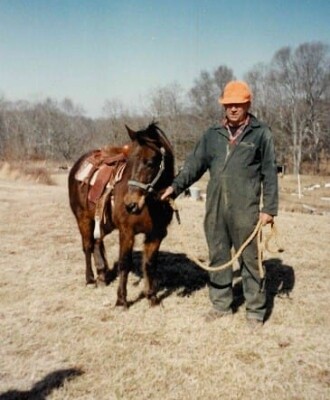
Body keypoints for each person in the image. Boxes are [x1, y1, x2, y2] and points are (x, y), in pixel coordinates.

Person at [161, 81, 278, 330]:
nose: (233, 109)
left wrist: (269, 208)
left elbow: (269, 172)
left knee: (250, 259)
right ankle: (221, 305)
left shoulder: (260, 133)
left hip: (245, 209)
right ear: (223, 107)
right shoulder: (212, 135)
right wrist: (175, 187)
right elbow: (194, 165)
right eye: (229, 105)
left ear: (248, 104)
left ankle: (255, 311)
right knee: (217, 256)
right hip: (215, 207)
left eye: (238, 104)